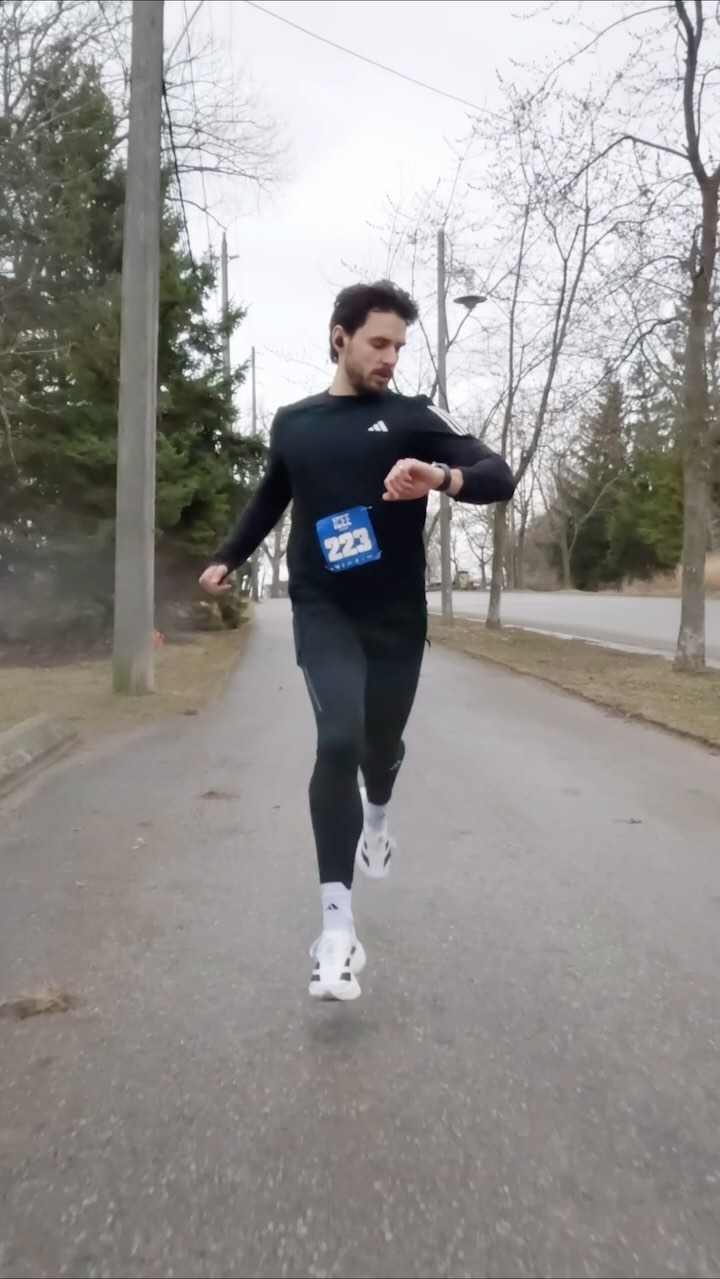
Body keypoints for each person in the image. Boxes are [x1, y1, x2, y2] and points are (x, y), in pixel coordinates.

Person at [200, 280, 515, 1001]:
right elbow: (272, 495)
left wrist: (440, 476)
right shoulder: (295, 423)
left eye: (399, 346)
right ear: (339, 336)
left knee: (380, 747)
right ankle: (337, 932)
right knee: (338, 738)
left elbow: (497, 473)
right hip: (324, 606)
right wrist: (229, 555)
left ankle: (378, 815)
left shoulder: (411, 417)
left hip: (396, 615)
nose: (390, 357)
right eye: (379, 342)